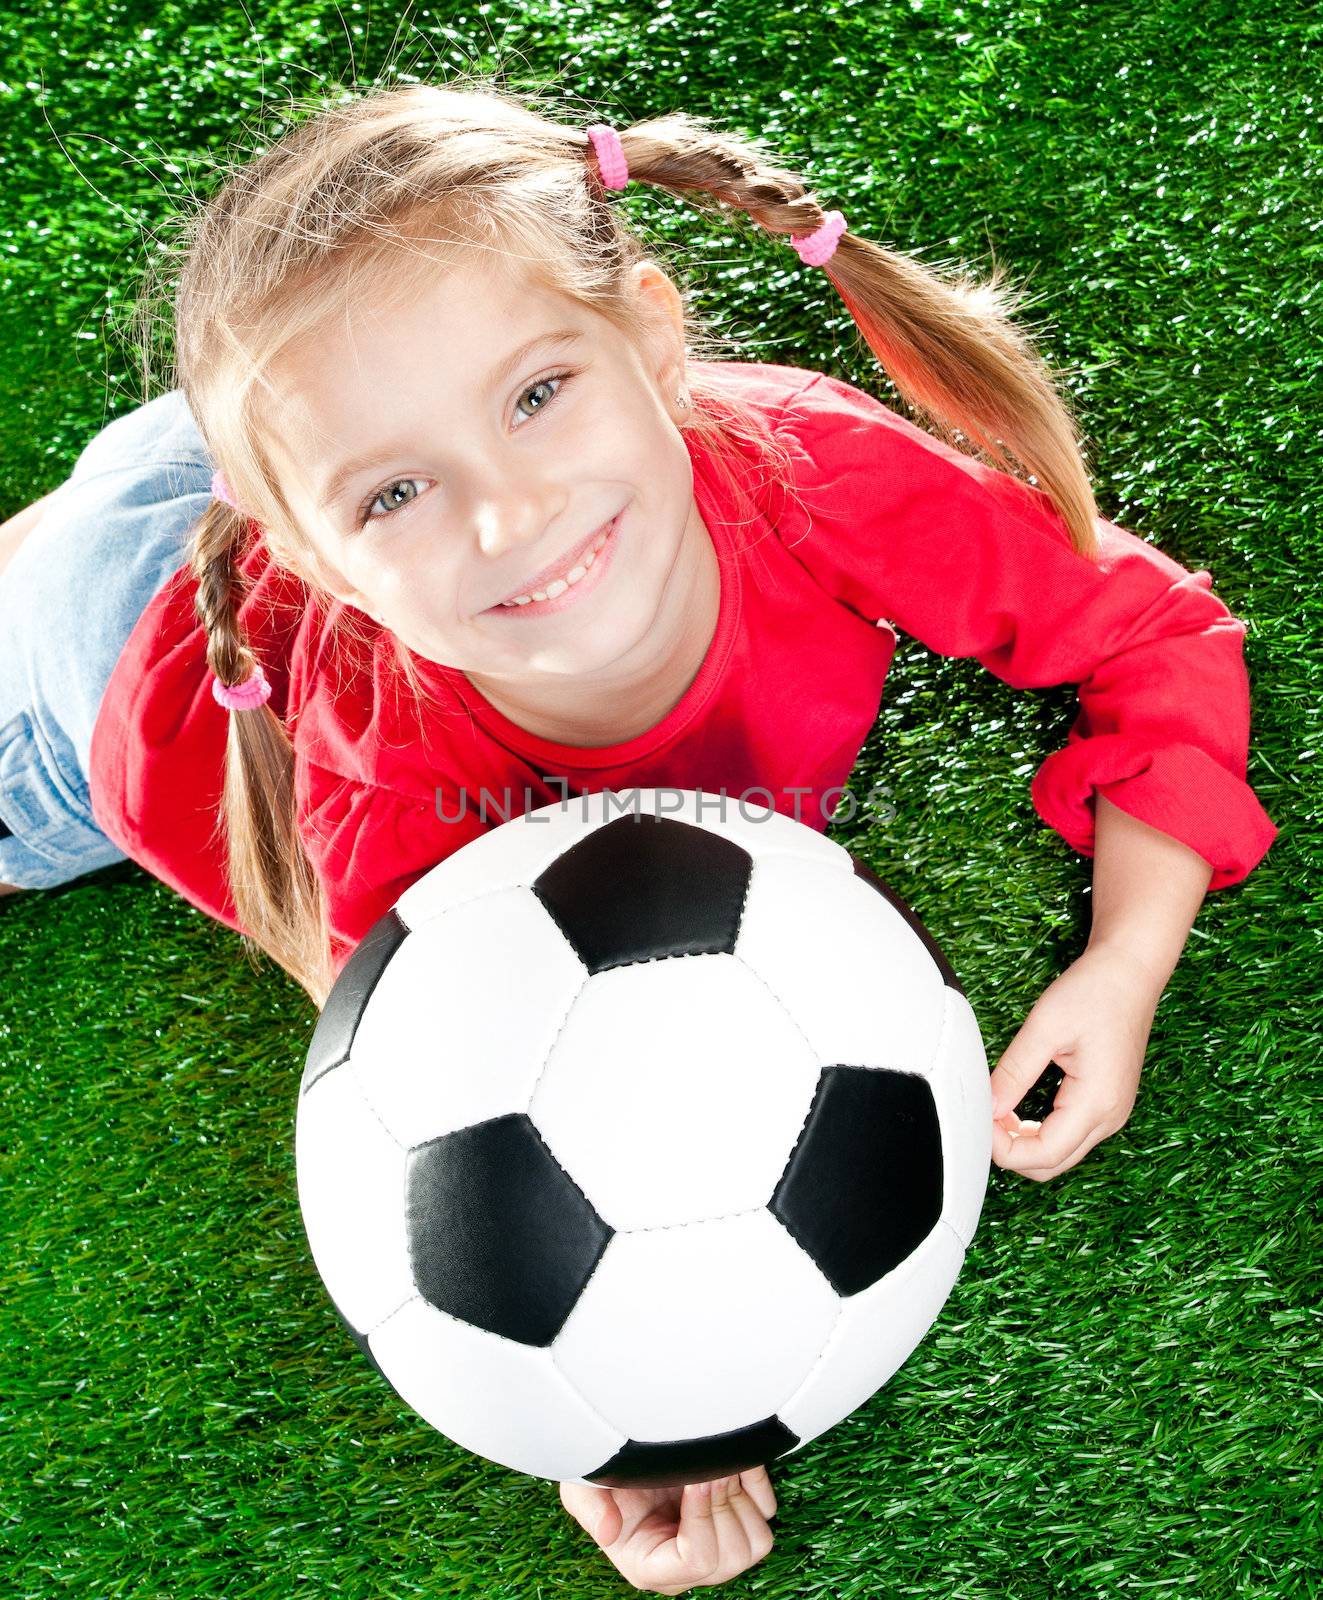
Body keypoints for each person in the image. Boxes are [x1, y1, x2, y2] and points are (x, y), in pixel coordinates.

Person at [0, 79, 1278, 1590]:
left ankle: (204, 472)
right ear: (319, 564)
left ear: (659, 343)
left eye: (538, 393)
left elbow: (1151, 634)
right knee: (70, 593)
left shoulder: (810, 473)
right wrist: (621, 1398)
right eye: (406, 493)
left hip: (289, 425)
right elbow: (448, 1132)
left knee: (244, 446)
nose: (510, 513)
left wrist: (1130, 958)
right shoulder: (379, 776)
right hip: (108, 670)